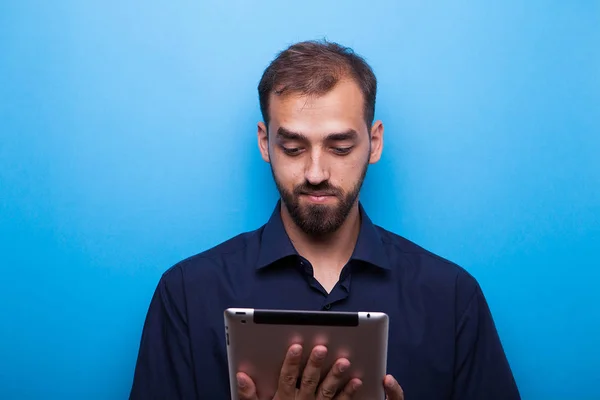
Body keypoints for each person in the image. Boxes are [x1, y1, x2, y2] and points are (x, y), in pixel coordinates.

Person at [129, 40, 521, 400]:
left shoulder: (452, 298)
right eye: (294, 147)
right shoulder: (186, 293)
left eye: (340, 146)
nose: (316, 172)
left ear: (375, 142)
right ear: (266, 143)